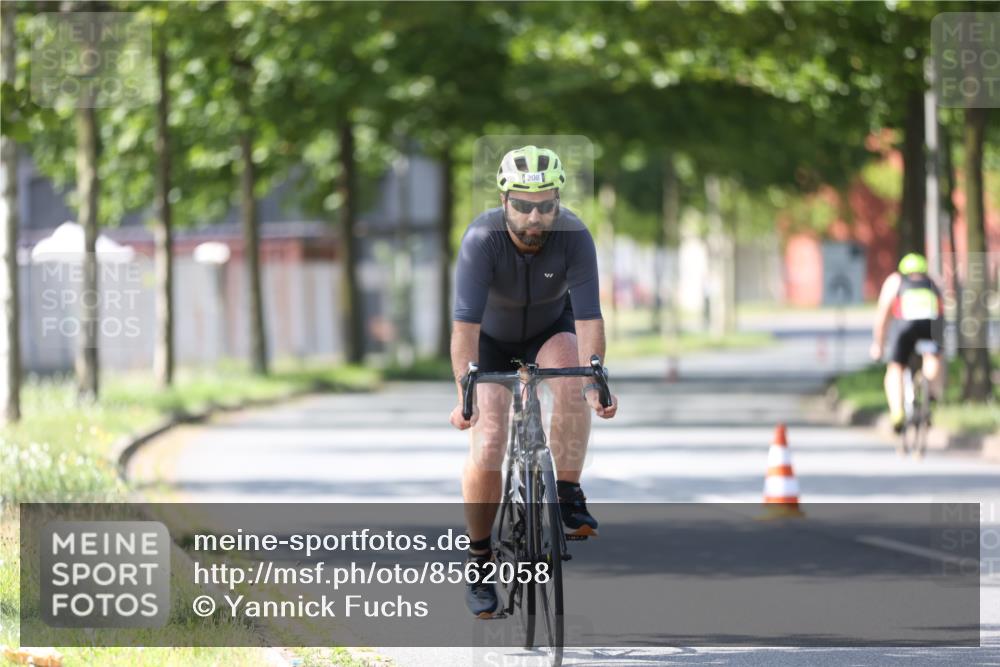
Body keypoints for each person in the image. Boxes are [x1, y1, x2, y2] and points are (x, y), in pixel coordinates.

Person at [449, 145, 619, 617]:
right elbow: (463, 329)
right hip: (490, 339)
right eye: (523, 205)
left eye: (546, 205)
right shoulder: (482, 239)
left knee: (572, 378)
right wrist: (464, 392)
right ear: (504, 201)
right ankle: (480, 559)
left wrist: (595, 380)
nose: (534, 216)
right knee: (489, 440)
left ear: (557, 202)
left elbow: (588, 318)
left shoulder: (575, 236)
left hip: (549, 331)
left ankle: (567, 492)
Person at [870, 253, 944, 433]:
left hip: (905, 327)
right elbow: (943, 310)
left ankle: (897, 413)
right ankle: (931, 393)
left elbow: (882, 315)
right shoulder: (933, 281)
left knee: (895, 368)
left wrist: (878, 344)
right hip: (930, 326)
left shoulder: (895, 281)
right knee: (933, 358)